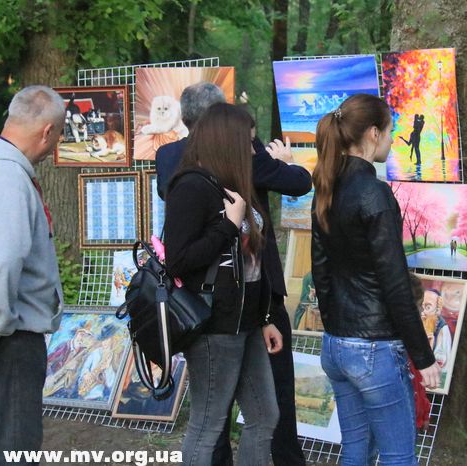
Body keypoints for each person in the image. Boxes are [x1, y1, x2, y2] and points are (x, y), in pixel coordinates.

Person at [156, 82, 310, 466]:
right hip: (215, 324)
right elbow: (179, 260)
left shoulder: (239, 183)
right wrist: (228, 224)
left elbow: (252, 265)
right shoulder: (192, 185)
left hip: (250, 321)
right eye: (248, 141)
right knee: (209, 424)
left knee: (265, 416)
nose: (254, 150)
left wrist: (267, 317)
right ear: (227, 141)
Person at [311, 93, 440, 465]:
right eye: (389, 131)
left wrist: (337, 331)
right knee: (399, 456)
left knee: (356, 450)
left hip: (337, 344)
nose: (391, 139)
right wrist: (423, 356)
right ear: (372, 133)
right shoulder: (374, 192)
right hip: (373, 348)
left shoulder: (328, 186)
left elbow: (321, 272)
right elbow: (394, 282)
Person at [0, 85, 65, 453]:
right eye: (59, 135)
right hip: (9, 339)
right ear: (48, 131)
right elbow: (2, 257)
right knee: (13, 449)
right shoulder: (6, 175)